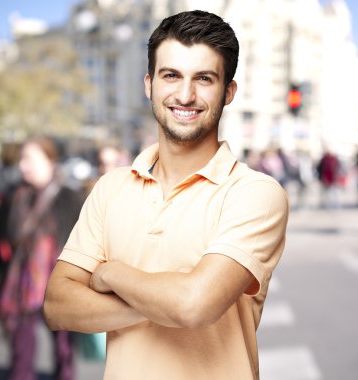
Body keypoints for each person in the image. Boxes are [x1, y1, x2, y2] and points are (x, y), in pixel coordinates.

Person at [43, 10, 289, 380]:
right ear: (149, 84)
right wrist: (163, 302)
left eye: (204, 79)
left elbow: (193, 306)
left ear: (229, 91)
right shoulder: (112, 188)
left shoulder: (255, 193)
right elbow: (58, 305)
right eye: (171, 75)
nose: (185, 95)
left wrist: (110, 274)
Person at [0, 137, 83, 380]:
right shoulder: (13, 198)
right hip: (21, 287)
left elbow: (85, 244)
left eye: (30, 159)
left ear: (50, 161)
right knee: (21, 349)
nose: (24, 166)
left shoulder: (69, 198)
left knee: (64, 348)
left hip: (61, 283)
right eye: (22, 160)